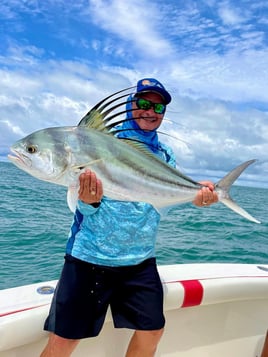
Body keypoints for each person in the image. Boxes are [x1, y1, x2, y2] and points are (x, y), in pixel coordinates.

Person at [40, 78, 218, 357]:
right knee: (63, 342)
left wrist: (199, 195)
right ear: (130, 105)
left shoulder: (164, 154)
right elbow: (81, 206)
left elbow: (164, 193)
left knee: (152, 331)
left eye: (158, 108)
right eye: (144, 104)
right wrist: (88, 202)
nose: (151, 111)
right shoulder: (104, 142)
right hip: (90, 258)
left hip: (139, 261)